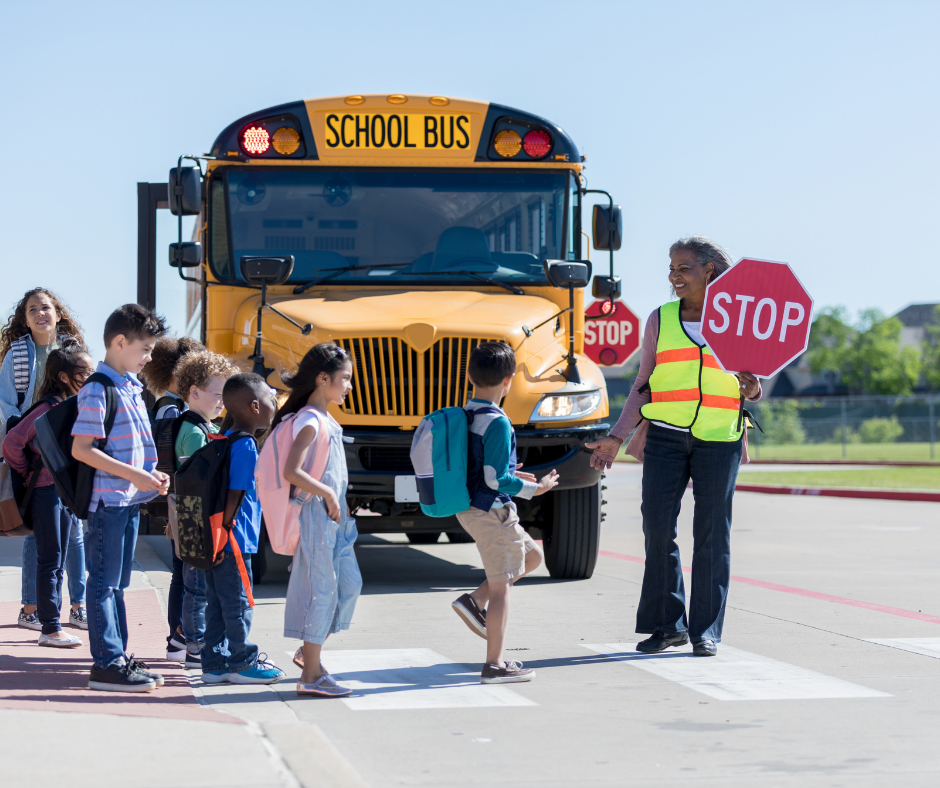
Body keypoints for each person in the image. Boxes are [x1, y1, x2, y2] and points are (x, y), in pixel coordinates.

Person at [586, 236, 762, 658]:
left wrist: (754, 388)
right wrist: (616, 437)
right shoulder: (660, 320)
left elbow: (755, 381)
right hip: (665, 435)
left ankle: (707, 630)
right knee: (658, 529)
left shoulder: (739, 319)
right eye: (671, 268)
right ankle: (668, 626)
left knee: (712, 535)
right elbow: (641, 385)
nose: (673, 276)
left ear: (709, 272)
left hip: (721, 437)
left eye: (683, 267)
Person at [72, 304, 171, 692]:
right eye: (145, 349)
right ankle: (107, 664)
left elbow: (131, 448)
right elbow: (83, 448)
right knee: (104, 584)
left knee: (116, 584)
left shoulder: (129, 386)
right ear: (119, 342)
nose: (149, 357)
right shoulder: (99, 388)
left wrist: (150, 473)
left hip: (126, 501)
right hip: (108, 504)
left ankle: (118, 658)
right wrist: (137, 474)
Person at [450, 341, 558, 684]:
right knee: (502, 589)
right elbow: (495, 478)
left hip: (472, 507)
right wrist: (533, 488)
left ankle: (472, 601)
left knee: (532, 556)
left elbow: (485, 467)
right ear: (509, 380)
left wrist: (514, 474)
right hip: (492, 512)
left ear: (469, 375)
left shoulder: (467, 415)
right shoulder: (497, 421)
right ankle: (494, 665)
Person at [278, 344, 362, 697]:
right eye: (345, 379)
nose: (349, 387)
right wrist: (327, 494)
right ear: (323, 378)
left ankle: (308, 653)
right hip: (317, 515)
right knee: (323, 591)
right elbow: (291, 471)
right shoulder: (310, 420)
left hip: (335, 521)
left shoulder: (324, 418)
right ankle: (310, 676)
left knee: (348, 585)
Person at [0, 288, 86, 628]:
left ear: (58, 313)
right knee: (37, 530)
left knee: (76, 531)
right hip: (32, 449)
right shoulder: (16, 355)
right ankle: (31, 608)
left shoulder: (73, 350)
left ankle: (78, 606)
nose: (40, 313)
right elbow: (6, 404)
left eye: (46, 307)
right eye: (32, 309)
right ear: (24, 318)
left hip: (68, 446)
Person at [201, 373, 284, 685]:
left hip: (218, 537)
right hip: (235, 539)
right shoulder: (246, 445)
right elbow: (235, 493)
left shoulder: (224, 439)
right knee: (240, 602)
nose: (274, 403)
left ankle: (214, 662)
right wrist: (225, 534)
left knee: (218, 603)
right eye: (270, 398)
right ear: (254, 406)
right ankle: (243, 662)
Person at [137, 335, 207, 663]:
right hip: (182, 502)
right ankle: (180, 638)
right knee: (185, 571)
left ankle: (178, 638)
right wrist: (172, 512)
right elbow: (167, 460)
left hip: (177, 502)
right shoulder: (172, 407)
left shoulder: (168, 403)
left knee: (182, 570)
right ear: (178, 375)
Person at [171, 350, 235, 670]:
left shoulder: (196, 424)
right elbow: (203, 478)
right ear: (194, 392)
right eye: (218, 395)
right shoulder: (194, 431)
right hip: (196, 517)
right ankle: (195, 643)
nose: (222, 402)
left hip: (190, 514)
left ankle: (186, 638)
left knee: (193, 580)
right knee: (197, 583)